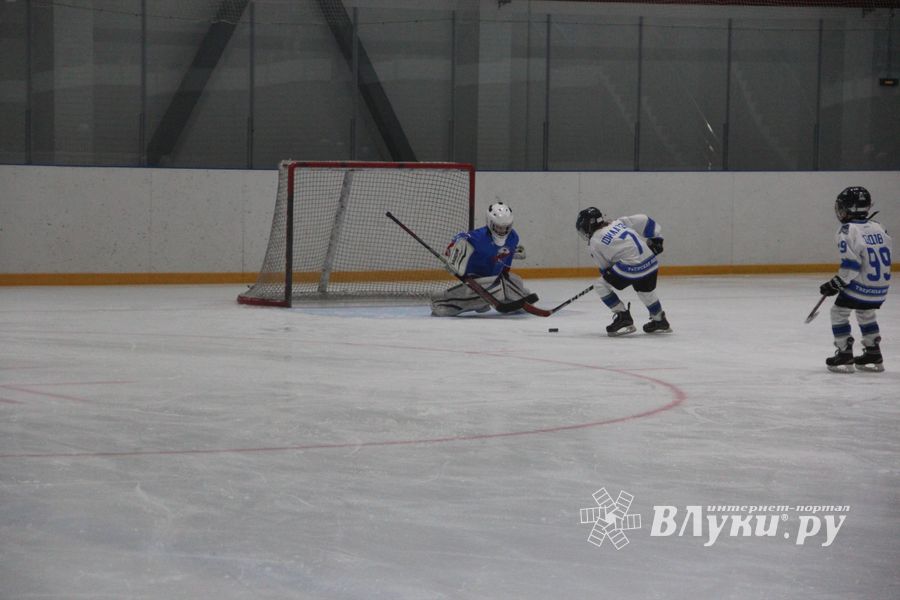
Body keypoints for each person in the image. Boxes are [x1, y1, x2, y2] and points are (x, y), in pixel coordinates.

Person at [820, 186, 891, 372]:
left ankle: (844, 352)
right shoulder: (878, 226)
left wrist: (835, 283)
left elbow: (851, 265)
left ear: (848, 208)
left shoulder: (847, 230)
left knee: (838, 312)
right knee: (865, 311)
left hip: (860, 285)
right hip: (880, 289)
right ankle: (873, 351)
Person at [575, 207, 671, 336]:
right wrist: (656, 238)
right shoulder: (617, 222)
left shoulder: (594, 242)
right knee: (644, 290)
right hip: (651, 262)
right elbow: (644, 219)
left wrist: (608, 275)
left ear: (587, 226)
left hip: (632, 268)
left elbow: (604, 268)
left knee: (600, 285)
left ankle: (623, 317)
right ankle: (660, 320)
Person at [431, 202, 536, 316]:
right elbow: (458, 239)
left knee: (516, 282)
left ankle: (482, 302)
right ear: (490, 223)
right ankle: (442, 300)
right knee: (497, 290)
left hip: (493, 278)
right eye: (499, 227)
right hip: (476, 280)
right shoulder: (477, 238)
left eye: (506, 227)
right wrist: (453, 253)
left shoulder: (513, 237)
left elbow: (505, 265)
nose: (502, 231)